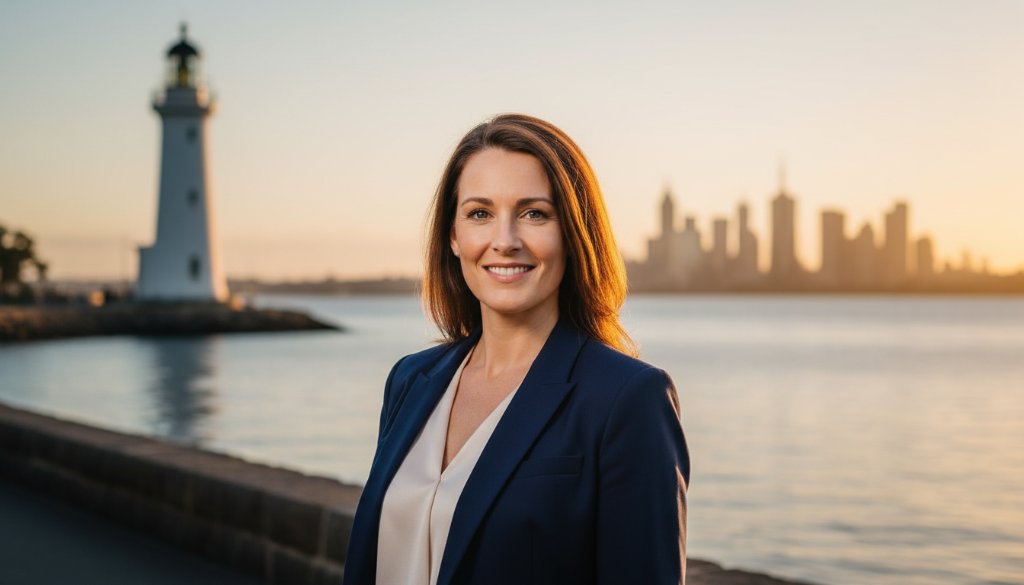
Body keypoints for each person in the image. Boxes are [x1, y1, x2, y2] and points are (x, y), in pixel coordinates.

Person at [343, 114, 690, 585]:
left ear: (572, 232)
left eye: (534, 214)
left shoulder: (627, 399)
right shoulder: (410, 380)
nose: (504, 242)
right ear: (453, 235)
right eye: (479, 214)